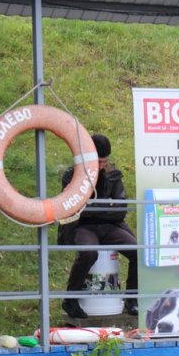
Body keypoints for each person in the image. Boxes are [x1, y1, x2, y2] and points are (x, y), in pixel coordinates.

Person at [58, 134, 138, 318]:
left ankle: (132, 300)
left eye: (105, 161)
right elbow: (73, 208)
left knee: (137, 250)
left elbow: (120, 210)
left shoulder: (113, 175)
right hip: (83, 226)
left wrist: (90, 206)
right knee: (88, 252)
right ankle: (70, 300)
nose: (102, 165)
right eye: (99, 161)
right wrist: (104, 206)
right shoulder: (71, 175)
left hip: (111, 226)